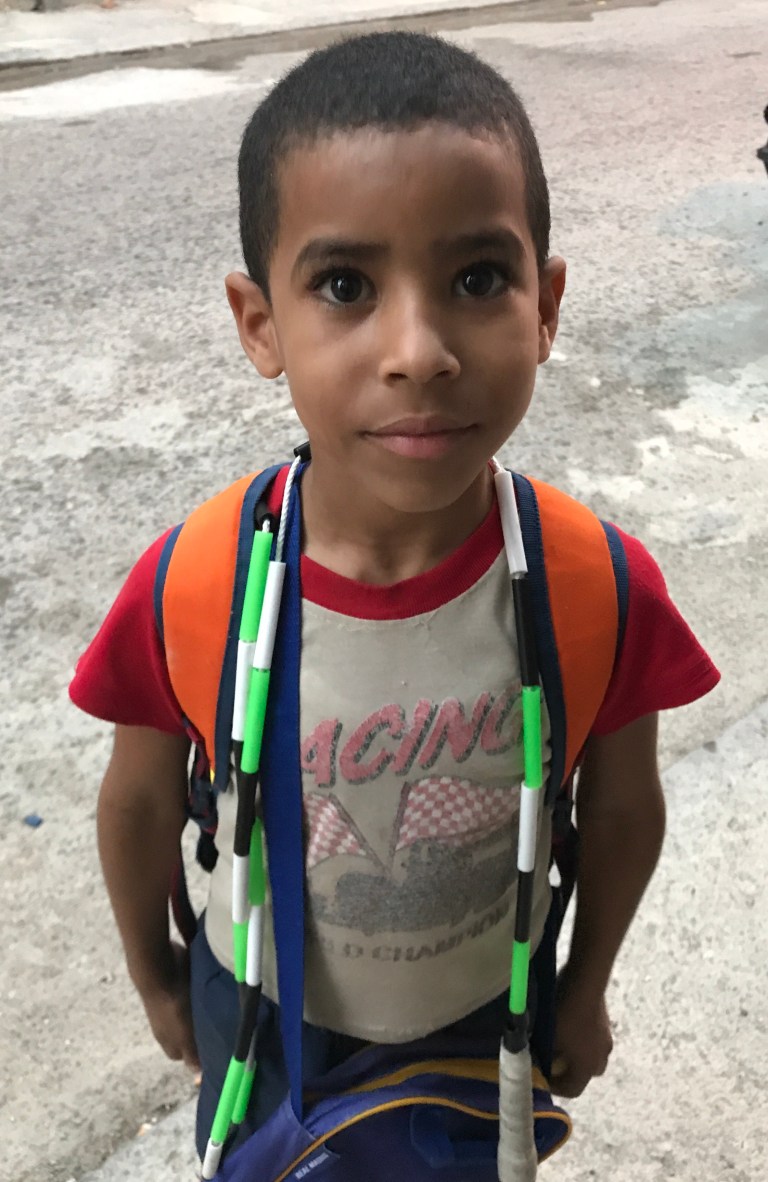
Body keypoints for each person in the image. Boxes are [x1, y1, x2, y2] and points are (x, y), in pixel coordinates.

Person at [70, 31, 720, 1165]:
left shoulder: (594, 584)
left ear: (546, 305)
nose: (418, 351)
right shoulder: (202, 581)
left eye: (478, 279)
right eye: (345, 287)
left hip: (487, 1016)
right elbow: (136, 804)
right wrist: (157, 978)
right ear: (260, 324)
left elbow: (622, 809)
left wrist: (586, 986)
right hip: (262, 1018)